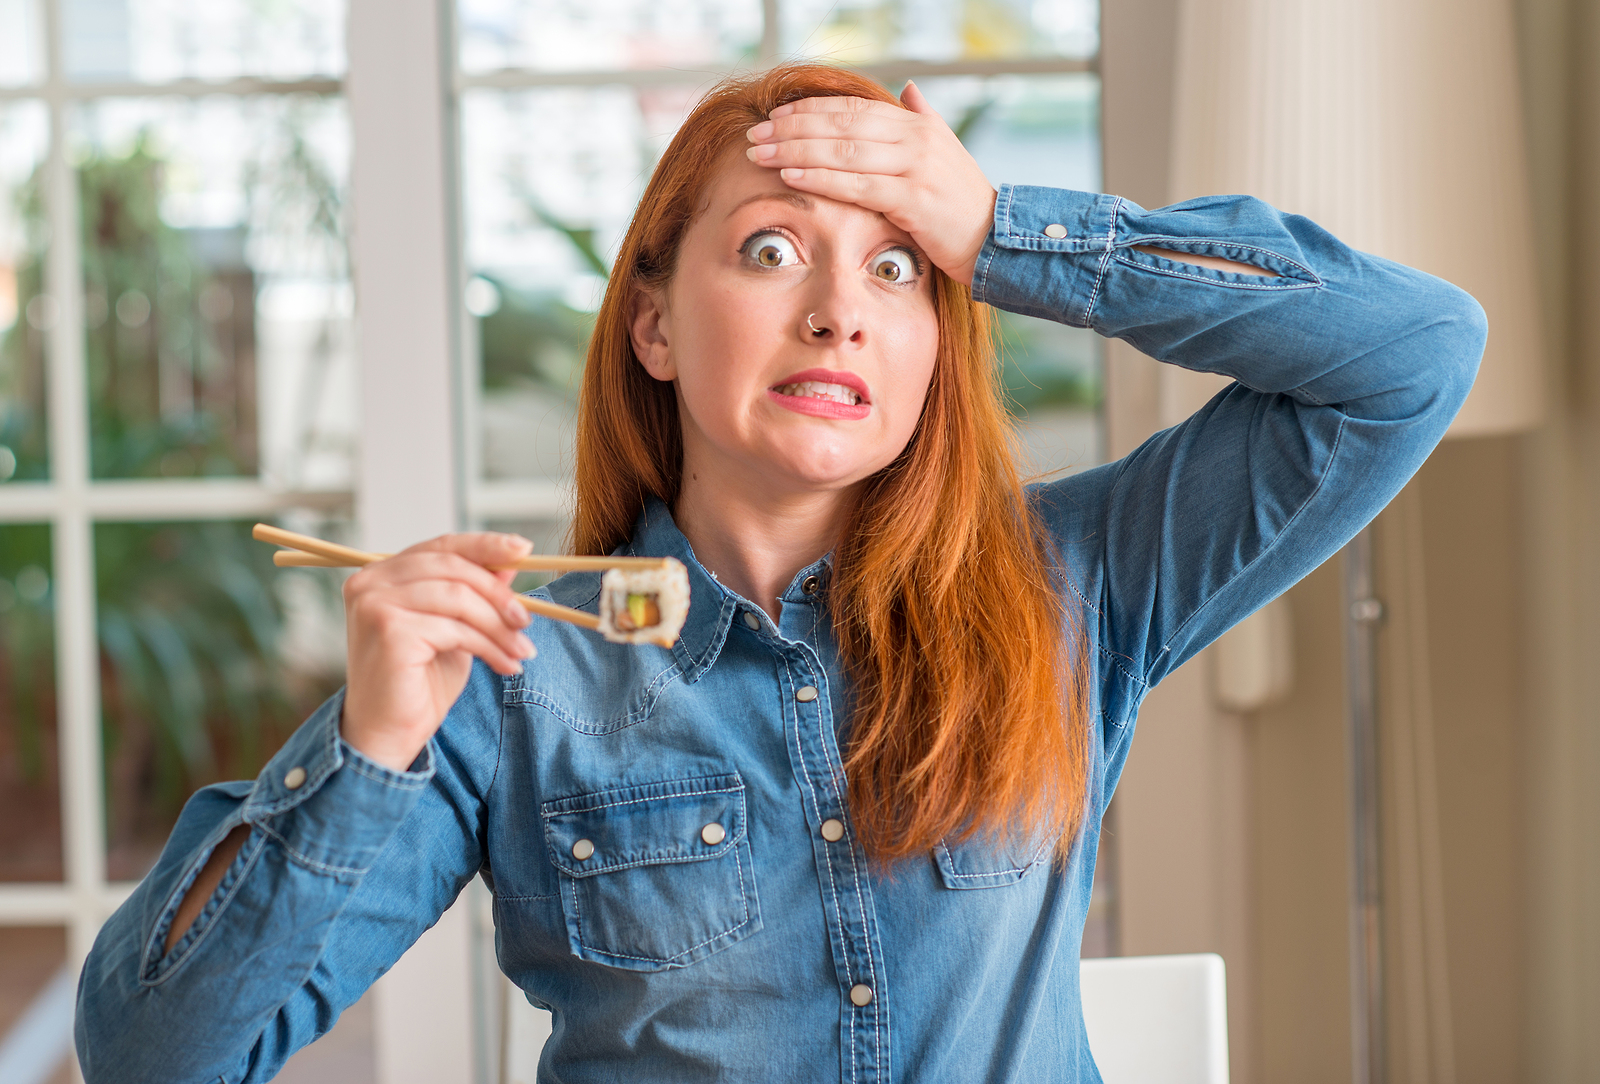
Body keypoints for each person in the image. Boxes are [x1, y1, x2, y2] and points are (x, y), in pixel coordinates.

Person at [73, 63, 1486, 1083]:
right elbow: (150, 1056)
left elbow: (1415, 354)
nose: (837, 317)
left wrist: (1004, 232)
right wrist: (370, 748)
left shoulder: (1081, 581)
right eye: (769, 252)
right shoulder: (513, 666)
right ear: (656, 328)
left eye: (897, 271)